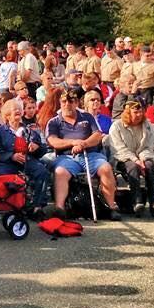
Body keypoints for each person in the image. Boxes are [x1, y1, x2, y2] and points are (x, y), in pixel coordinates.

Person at [45, 88, 122, 221]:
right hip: (67, 157)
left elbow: (97, 135)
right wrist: (73, 142)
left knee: (106, 168)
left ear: (76, 103)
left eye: (71, 101)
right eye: (64, 101)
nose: (67, 104)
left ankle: (111, 207)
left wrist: (83, 144)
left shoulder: (87, 117)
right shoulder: (54, 122)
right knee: (60, 172)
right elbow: (53, 141)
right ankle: (60, 208)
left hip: (91, 154)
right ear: (60, 103)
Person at [0, 98, 49, 213]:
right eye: (14, 110)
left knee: (42, 171)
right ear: (7, 115)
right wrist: (11, 156)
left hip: (27, 160)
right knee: (3, 174)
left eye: (19, 109)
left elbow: (42, 149)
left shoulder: (28, 130)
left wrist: (36, 147)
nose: (17, 111)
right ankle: (15, 205)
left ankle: (37, 206)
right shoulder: (0, 132)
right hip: (6, 163)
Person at [109, 99, 154, 217]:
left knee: (150, 166)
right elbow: (119, 149)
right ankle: (137, 202)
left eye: (140, 112)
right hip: (122, 159)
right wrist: (136, 160)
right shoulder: (116, 126)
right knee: (132, 167)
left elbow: (148, 145)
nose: (139, 115)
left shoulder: (146, 125)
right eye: (135, 112)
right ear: (127, 113)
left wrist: (142, 159)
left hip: (142, 157)